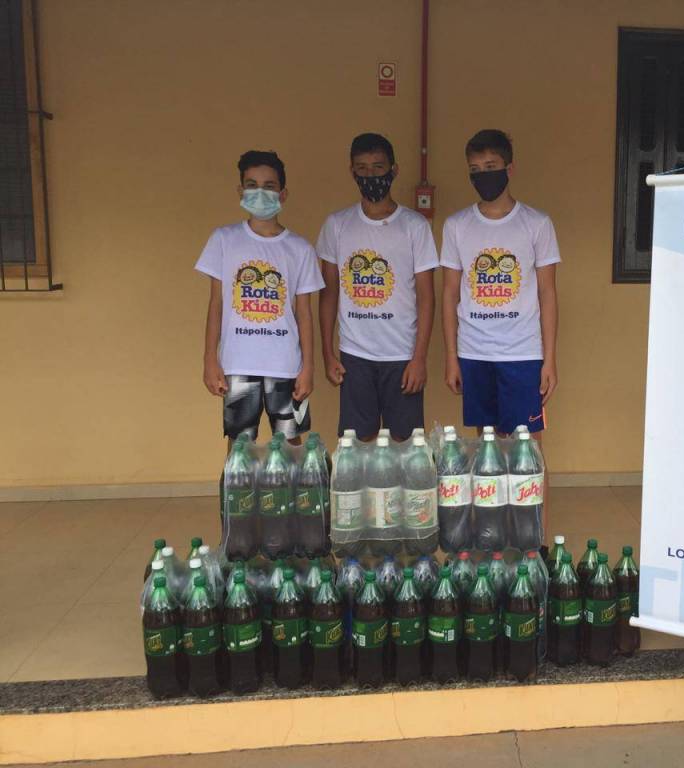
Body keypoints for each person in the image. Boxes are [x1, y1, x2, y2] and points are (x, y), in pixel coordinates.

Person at [440, 129, 560, 527]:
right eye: (475, 169)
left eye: (490, 166)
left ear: (510, 168)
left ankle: (534, 535)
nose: (483, 175)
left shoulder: (536, 224)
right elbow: (450, 293)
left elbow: (547, 292)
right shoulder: (457, 226)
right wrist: (451, 357)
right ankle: (492, 531)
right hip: (474, 353)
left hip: (523, 354)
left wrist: (549, 359)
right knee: (486, 447)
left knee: (528, 448)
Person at [196, 150, 324, 447]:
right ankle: (239, 484)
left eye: (269, 186)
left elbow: (304, 313)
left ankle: (294, 483)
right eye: (252, 185)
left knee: (292, 443)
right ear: (240, 191)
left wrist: (308, 367)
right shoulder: (224, 240)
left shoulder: (300, 249)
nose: (260, 192)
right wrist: (210, 359)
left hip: (286, 364)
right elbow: (216, 304)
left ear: (283, 193)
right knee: (240, 445)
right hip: (238, 363)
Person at [317, 133, 438, 442]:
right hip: (355, 354)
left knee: (407, 445)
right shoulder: (337, 224)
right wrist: (328, 353)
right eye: (362, 168)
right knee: (357, 445)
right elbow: (329, 293)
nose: (370, 175)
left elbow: (426, 297)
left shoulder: (415, 226)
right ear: (352, 171)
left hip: (402, 354)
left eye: (378, 167)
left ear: (394, 170)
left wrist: (419, 358)